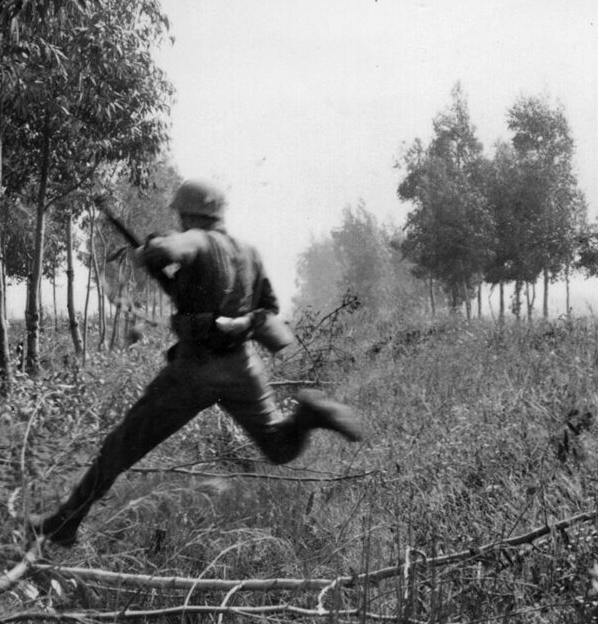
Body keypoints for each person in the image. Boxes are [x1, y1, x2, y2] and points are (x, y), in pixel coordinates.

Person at [27, 179, 361, 550]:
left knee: (122, 444)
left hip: (195, 370)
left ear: (189, 213)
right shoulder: (248, 251)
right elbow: (269, 306)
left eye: (182, 215)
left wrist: (152, 250)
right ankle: (308, 414)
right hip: (241, 366)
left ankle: (65, 522)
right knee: (279, 448)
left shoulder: (197, 240)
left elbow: (170, 248)